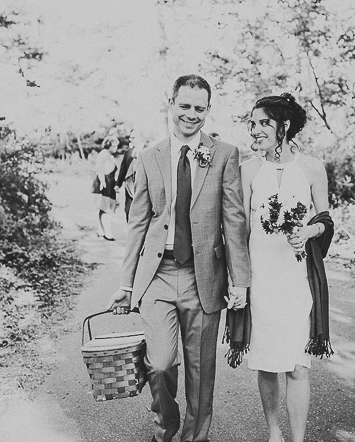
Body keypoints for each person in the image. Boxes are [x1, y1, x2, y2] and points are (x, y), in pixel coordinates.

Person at [107, 75, 250, 442]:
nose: (191, 115)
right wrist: (126, 283)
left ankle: (194, 437)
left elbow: (234, 221)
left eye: (199, 108)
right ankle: (165, 428)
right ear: (171, 103)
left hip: (204, 275)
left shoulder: (224, 154)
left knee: (202, 371)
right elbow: (137, 224)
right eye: (184, 106)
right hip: (158, 274)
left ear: (208, 110)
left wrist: (241, 281)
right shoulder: (148, 156)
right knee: (160, 363)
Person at [237, 93, 334, 442]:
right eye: (253, 122)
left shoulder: (311, 168)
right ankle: (274, 433)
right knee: (266, 361)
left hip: (297, 278)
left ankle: (297, 439)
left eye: (264, 122)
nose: (256, 128)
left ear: (285, 126)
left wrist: (309, 230)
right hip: (261, 278)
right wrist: (238, 281)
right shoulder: (247, 169)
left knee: (296, 364)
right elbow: (240, 231)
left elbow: (324, 218)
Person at [91, 137, 118, 241]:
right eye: (114, 146)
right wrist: (102, 183)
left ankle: (101, 231)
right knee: (106, 209)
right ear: (108, 145)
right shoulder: (103, 155)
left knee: (105, 208)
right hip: (104, 183)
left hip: (110, 183)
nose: (116, 148)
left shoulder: (110, 156)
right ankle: (108, 233)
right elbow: (99, 169)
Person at [115, 133, 146, 222]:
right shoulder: (129, 152)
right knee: (128, 211)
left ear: (140, 138)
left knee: (142, 213)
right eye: (130, 137)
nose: (130, 139)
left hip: (143, 187)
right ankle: (130, 233)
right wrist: (118, 184)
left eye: (133, 137)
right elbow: (123, 169)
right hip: (130, 187)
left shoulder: (147, 151)